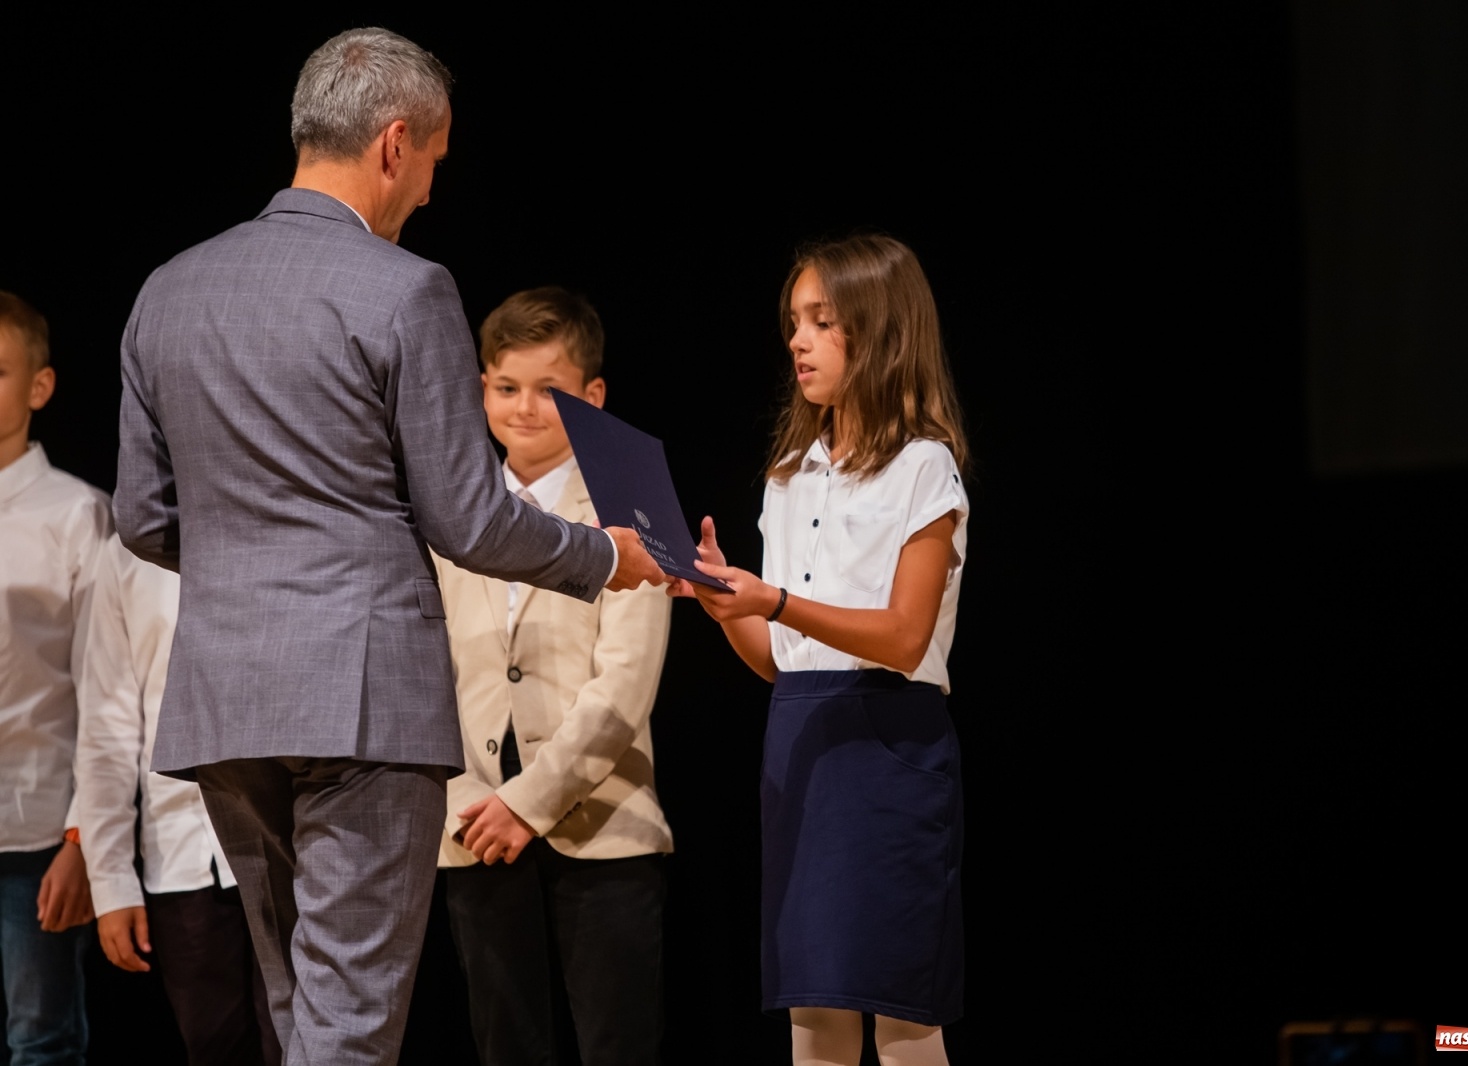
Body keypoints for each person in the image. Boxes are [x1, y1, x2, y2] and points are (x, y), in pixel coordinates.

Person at [112, 29, 665, 1066]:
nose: (426, 196)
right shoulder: (404, 288)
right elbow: (468, 518)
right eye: (433, 166)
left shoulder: (166, 291)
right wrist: (608, 558)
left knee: (300, 1008)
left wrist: (253, 570)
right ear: (395, 144)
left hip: (225, 696)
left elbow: (143, 517)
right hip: (362, 698)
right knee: (352, 1020)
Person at [682, 236, 969, 1066]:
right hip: (801, 744)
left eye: (822, 322)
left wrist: (774, 599)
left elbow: (904, 634)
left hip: (888, 747)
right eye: (793, 323)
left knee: (903, 1011)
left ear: (877, 334)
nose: (798, 341)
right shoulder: (790, 474)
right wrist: (718, 598)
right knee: (815, 1010)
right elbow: (778, 655)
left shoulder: (924, 469)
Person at [436, 287, 674, 1065]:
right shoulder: (448, 510)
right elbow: (427, 665)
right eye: (507, 388)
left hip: (601, 823)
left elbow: (626, 683)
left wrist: (529, 802)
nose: (526, 408)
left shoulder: (630, 498)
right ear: (481, 390)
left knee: (617, 1041)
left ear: (593, 396)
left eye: (551, 390)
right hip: (473, 823)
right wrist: (473, 800)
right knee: (504, 1041)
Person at [75, 535, 279, 1066]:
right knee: (213, 1047)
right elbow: (109, 725)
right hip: (180, 851)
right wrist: (112, 879)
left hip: (285, 839)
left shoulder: (279, 516)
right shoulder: (123, 554)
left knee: (306, 1041)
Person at [0, 290, 108, 1064]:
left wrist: (83, 838)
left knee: (41, 1041)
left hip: (33, 828)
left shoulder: (77, 515)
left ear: (38, 388)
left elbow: (107, 690)